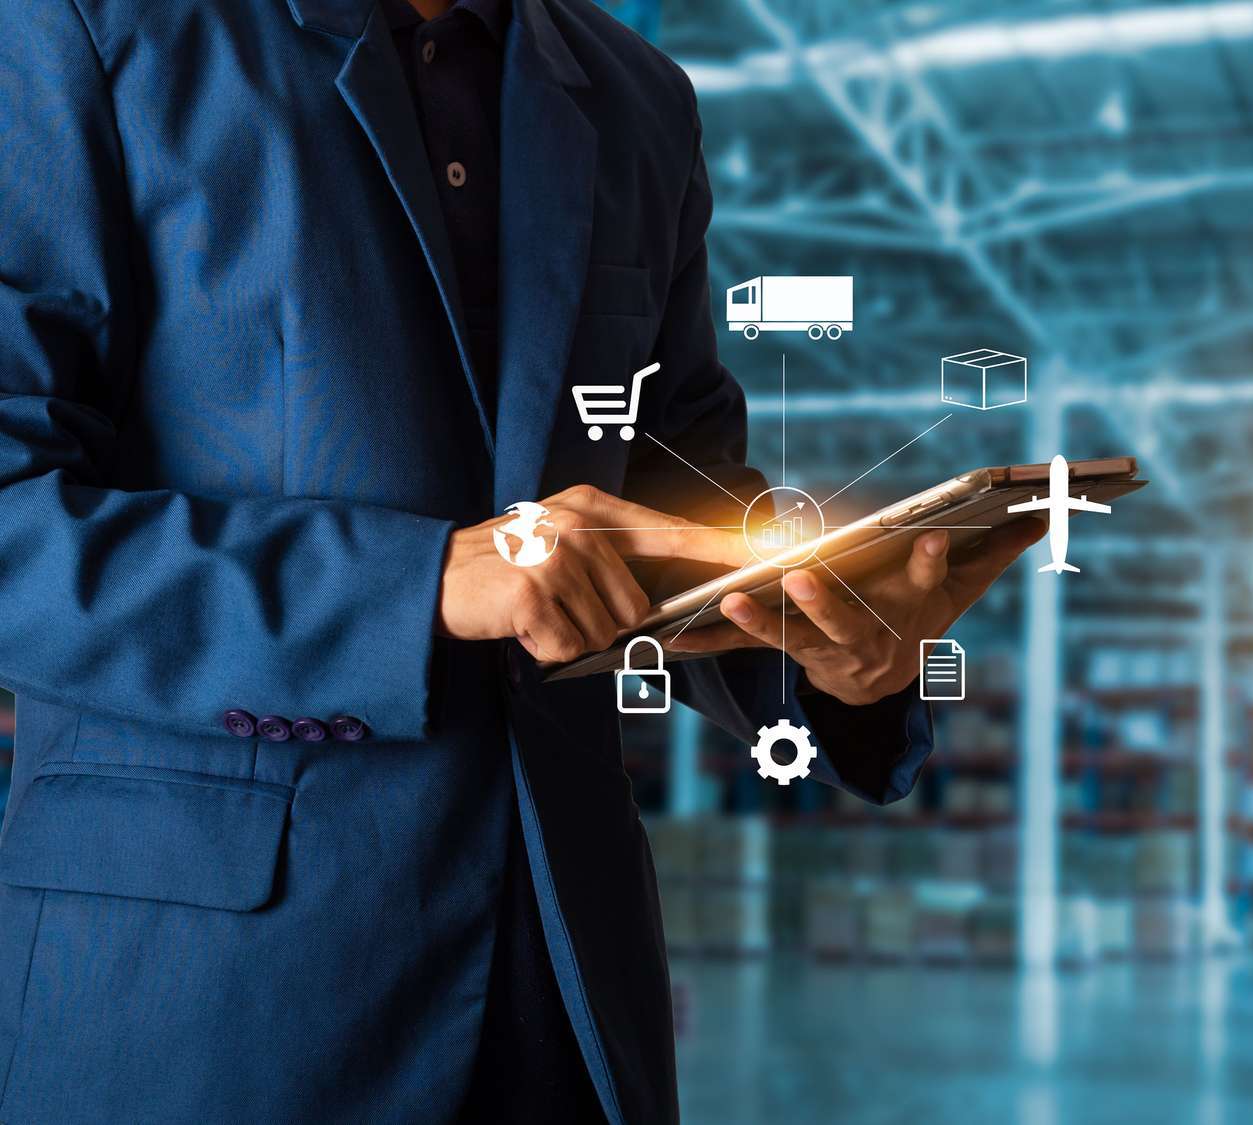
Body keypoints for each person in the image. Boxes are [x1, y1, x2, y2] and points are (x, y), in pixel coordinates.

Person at [0, 0, 1041, 1120]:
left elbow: (670, 503)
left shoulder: (637, 97)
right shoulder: (82, 28)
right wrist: (416, 587)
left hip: (561, 989)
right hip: (210, 998)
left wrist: (827, 645)